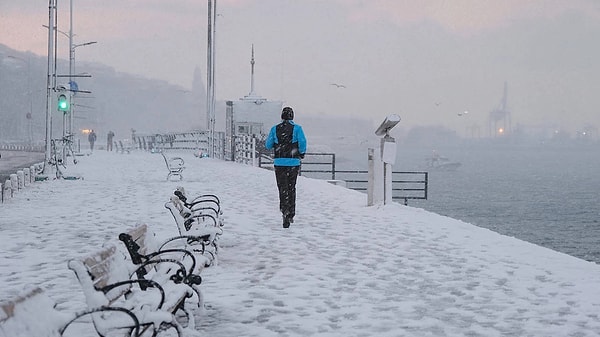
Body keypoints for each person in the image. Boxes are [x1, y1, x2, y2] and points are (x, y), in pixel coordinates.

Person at [265, 106, 307, 228]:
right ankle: (291, 213)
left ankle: (284, 211)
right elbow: (303, 143)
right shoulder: (298, 129)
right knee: (291, 187)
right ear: (292, 116)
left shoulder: (275, 129)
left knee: (282, 188)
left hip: (279, 163)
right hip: (293, 162)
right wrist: (301, 153)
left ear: (282, 116)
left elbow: (268, 145)